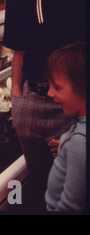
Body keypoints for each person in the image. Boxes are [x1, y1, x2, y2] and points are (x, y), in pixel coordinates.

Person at [0, 0, 86, 210]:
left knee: (75, 184)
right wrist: (17, 98)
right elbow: (18, 52)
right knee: (43, 180)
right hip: (31, 99)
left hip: (74, 100)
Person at [44, 41, 86, 212]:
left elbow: (70, 206)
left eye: (57, 87)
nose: (49, 93)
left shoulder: (80, 143)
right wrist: (65, 144)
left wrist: (73, 147)